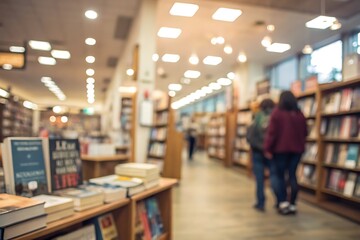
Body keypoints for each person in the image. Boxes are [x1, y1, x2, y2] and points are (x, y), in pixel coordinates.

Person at [264, 91, 307, 215]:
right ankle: (292, 204)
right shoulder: (300, 114)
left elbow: (272, 133)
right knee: (292, 175)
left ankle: (282, 202)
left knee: (280, 176)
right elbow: (305, 132)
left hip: (280, 150)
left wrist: (268, 148)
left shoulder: (277, 113)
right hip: (297, 150)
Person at [246, 98, 279, 212]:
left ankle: (260, 203)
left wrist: (256, 146)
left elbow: (249, 136)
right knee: (275, 176)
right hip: (272, 153)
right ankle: (279, 201)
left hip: (257, 152)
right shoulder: (276, 116)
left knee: (259, 179)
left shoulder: (256, 117)